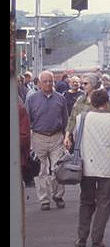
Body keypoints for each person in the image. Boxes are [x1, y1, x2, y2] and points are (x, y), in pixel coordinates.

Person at [73, 89, 110, 247]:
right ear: (107, 102)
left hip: (86, 167)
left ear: (91, 102)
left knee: (86, 202)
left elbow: (75, 137)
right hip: (107, 168)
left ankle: (81, 239)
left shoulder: (81, 118)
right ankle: (97, 240)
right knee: (104, 203)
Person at [26, 70, 70, 211]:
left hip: (57, 137)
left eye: (50, 81)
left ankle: (58, 196)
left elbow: (66, 119)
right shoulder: (32, 99)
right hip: (39, 137)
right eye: (45, 81)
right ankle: (44, 199)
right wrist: (29, 141)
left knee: (58, 168)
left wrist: (67, 137)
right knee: (41, 171)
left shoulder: (60, 98)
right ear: (39, 83)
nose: (48, 84)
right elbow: (27, 120)